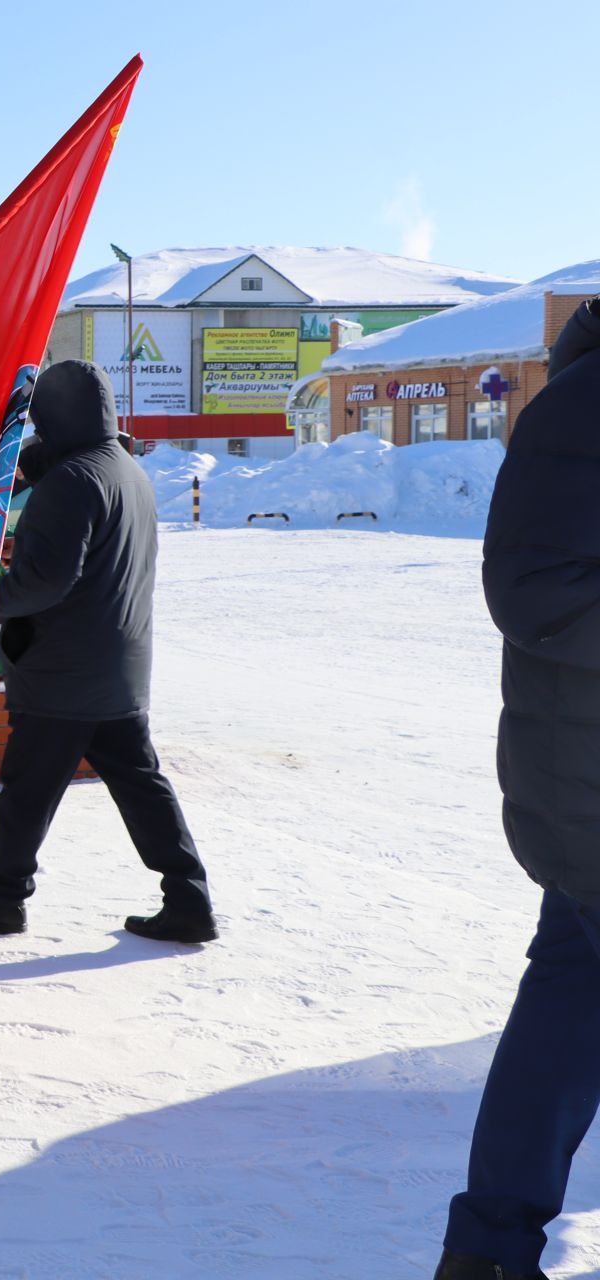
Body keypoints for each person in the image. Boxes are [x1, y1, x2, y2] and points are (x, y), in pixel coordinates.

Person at [0, 359, 215, 944]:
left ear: (52, 417)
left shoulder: (71, 482)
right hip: (118, 666)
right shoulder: (126, 470)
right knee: (141, 787)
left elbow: (45, 582)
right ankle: (189, 898)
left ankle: (3, 899)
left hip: (64, 669)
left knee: (28, 792)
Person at [435, 298, 600, 1280]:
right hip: (588, 777)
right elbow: (536, 588)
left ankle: (490, 1249)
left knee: (569, 1002)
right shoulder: (582, 407)